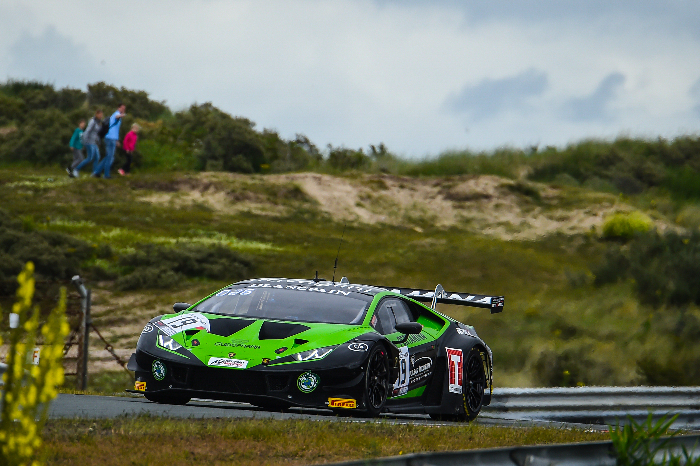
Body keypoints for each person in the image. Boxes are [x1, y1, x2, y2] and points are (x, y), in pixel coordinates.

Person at [92, 103, 126, 179]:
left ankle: (97, 172)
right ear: (118, 108)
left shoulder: (117, 116)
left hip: (112, 138)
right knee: (110, 157)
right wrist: (121, 115)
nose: (123, 110)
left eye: (124, 108)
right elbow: (117, 116)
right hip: (110, 138)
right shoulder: (116, 114)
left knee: (108, 156)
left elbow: (115, 130)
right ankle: (106, 175)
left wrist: (117, 140)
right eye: (122, 108)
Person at [73, 110, 103, 177]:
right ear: (97, 114)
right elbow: (87, 131)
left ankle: (94, 173)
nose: (101, 116)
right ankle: (76, 170)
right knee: (90, 158)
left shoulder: (99, 123)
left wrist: (99, 141)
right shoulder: (93, 121)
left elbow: (97, 133)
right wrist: (84, 141)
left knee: (97, 157)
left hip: (94, 143)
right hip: (89, 142)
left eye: (102, 115)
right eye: (100, 114)